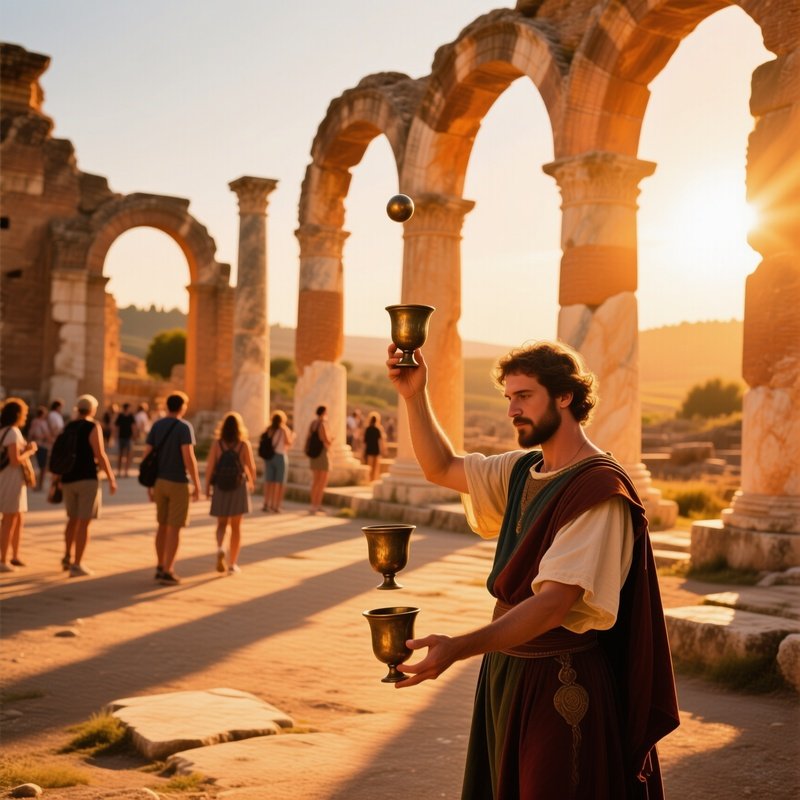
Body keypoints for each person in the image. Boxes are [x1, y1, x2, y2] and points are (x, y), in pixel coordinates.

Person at [385, 340, 679, 799]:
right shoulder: (523, 471)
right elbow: (440, 467)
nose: (511, 410)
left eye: (523, 396)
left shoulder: (598, 489)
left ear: (565, 396)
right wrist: (413, 394)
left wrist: (457, 648)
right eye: (508, 398)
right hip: (506, 672)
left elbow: (552, 605)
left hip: (560, 681)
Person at [143, 391, 200, 585]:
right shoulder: (184, 427)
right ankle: (168, 569)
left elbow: (147, 455)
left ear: (167, 406)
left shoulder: (157, 425)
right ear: (182, 407)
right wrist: (197, 483)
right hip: (177, 482)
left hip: (159, 481)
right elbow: (188, 457)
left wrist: (149, 484)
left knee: (161, 526)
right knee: (174, 528)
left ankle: (159, 565)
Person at [58, 394, 117, 577]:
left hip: (68, 477)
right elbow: (100, 453)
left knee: (72, 519)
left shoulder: (69, 426)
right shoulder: (93, 426)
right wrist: (111, 477)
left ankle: (67, 556)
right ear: (92, 409)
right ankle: (77, 563)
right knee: (84, 522)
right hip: (87, 478)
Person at [205, 412, 256, 575]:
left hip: (220, 486)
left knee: (221, 524)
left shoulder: (217, 444)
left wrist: (207, 487)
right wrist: (251, 482)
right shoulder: (244, 444)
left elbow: (210, 467)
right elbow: (251, 467)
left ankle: (220, 548)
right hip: (238, 487)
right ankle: (233, 563)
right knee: (236, 527)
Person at [0, 398, 37, 572]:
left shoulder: (5, 431)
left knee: (18, 517)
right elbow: (15, 461)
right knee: (9, 519)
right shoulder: (13, 432)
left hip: (10, 479)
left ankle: (14, 555)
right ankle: (3, 559)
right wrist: (29, 451)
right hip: (10, 479)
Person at [261, 410, 294, 513]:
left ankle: (266, 503)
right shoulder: (284, 429)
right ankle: (276, 505)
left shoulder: (269, 429)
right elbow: (288, 443)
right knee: (279, 483)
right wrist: (293, 436)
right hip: (280, 456)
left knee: (268, 481)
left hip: (269, 457)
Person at [306, 405, 332, 515]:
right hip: (321, 454)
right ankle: (317, 505)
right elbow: (326, 439)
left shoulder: (312, 423)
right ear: (324, 413)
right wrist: (332, 439)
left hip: (313, 454)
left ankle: (313, 505)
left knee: (315, 481)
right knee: (322, 481)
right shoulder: (322, 424)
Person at [27, 405, 52, 491]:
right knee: (42, 467)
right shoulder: (42, 423)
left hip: (34, 445)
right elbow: (46, 434)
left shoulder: (34, 421)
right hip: (42, 445)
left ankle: (34, 484)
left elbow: (30, 433)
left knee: (35, 465)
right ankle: (39, 485)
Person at [363, 411, 386, 482]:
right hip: (376, 449)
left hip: (369, 449)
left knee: (370, 466)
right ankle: (373, 480)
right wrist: (383, 450)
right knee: (375, 467)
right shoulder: (378, 429)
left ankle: (369, 480)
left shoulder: (367, 429)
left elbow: (365, 441)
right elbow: (381, 441)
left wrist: (363, 451)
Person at [114, 402, 136, 477]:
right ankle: (119, 471)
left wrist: (133, 435)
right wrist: (116, 436)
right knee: (120, 455)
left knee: (127, 455)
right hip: (121, 437)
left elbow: (133, 426)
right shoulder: (120, 416)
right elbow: (117, 426)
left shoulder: (131, 416)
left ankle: (125, 472)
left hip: (128, 437)